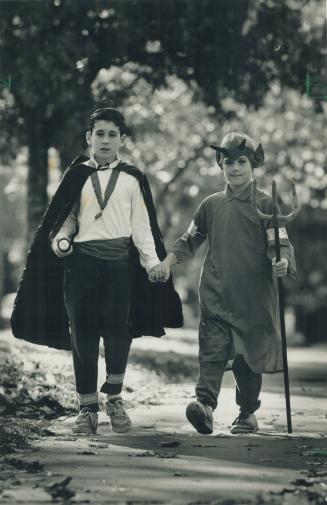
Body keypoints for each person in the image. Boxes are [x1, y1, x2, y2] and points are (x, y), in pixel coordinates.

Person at [11, 107, 183, 435]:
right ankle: (86, 409)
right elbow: (67, 217)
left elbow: (142, 228)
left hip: (120, 266)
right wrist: (61, 239)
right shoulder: (77, 175)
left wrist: (151, 263)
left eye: (112, 134)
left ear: (122, 140)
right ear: (89, 138)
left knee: (119, 332)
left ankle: (114, 398)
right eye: (99, 134)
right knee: (83, 333)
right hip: (81, 266)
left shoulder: (133, 178)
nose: (105, 140)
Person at [150, 132, 296, 435]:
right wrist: (167, 262)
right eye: (228, 162)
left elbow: (279, 245)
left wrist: (282, 264)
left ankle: (247, 412)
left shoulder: (267, 204)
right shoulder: (210, 205)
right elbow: (189, 239)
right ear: (220, 164)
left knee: (248, 360)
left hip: (254, 298)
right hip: (216, 293)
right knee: (212, 351)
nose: (235, 168)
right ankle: (204, 405)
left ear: (254, 164)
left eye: (242, 161)